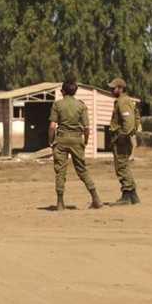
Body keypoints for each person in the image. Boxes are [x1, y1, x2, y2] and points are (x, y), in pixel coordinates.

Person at [48, 79, 103, 211]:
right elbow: (86, 128)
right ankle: (96, 198)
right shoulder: (81, 105)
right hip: (77, 140)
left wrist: (51, 141)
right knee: (82, 169)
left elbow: (52, 126)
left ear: (62, 91)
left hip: (61, 140)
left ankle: (60, 203)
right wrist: (85, 141)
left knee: (60, 171)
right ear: (75, 91)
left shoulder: (57, 105)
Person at [108, 77, 140, 205]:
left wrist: (123, 135)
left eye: (113, 88)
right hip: (124, 138)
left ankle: (126, 196)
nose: (110, 90)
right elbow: (137, 117)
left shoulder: (122, 102)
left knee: (121, 167)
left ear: (120, 88)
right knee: (124, 166)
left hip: (121, 139)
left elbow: (129, 122)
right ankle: (133, 196)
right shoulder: (126, 101)